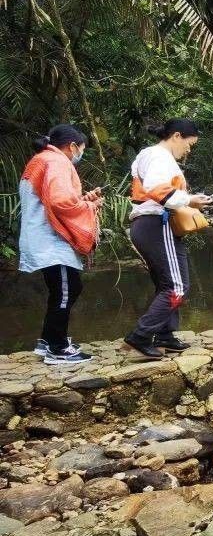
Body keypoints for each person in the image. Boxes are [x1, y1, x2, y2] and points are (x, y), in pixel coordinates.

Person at [124, 119, 213, 358]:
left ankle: (165, 335)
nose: (189, 150)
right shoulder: (159, 156)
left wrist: (187, 199)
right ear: (176, 136)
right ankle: (141, 336)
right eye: (189, 144)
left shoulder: (150, 155)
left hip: (150, 225)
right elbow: (156, 187)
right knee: (176, 286)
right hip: (156, 224)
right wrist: (189, 200)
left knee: (169, 284)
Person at [20, 124, 102, 364]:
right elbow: (60, 203)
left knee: (63, 289)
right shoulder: (57, 162)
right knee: (67, 290)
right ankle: (57, 348)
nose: (80, 154)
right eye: (82, 149)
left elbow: (53, 199)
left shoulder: (41, 160)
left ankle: (47, 342)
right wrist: (90, 206)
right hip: (51, 240)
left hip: (41, 236)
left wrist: (83, 199)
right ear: (73, 146)